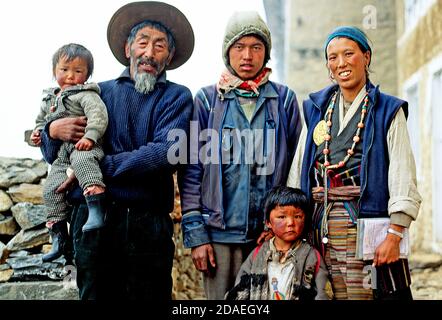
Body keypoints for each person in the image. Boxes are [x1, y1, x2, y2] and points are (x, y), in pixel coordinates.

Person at [39, 1, 194, 300]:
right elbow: (54, 155)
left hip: (148, 224)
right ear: (128, 49)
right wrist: (51, 132)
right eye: (143, 42)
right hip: (93, 222)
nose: (149, 53)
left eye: (160, 46)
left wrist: (94, 169)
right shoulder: (96, 92)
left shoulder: (177, 97)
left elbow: (165, 152)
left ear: (170, 56)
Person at [287, 26, 422, 300]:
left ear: (367, 57)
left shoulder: (387, 110)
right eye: (333, 57)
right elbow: (299, 167)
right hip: (321, 226)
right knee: (327, 291)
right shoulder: (317, 109)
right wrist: (291, 217)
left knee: (372, 290)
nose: (341, 63)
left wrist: (394, 234)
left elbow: (401, 171)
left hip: (370, 226)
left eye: (349, 54)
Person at [179, 11, 302, 299]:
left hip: (271, 236)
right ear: (227, 53)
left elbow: (296, 169)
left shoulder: (283, 100)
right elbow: (193, 170)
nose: (247, 55)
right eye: (239, 47)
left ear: (266, 53)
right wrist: (197, 236)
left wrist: (282, 225)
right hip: (219, 237)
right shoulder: (208, 100)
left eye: (256, 47)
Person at [31, 43, 108, 263]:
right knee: (51, 188)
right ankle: (58, 237)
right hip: (61, 155)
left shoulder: (86, 94)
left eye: (78, 71)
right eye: (64, 70)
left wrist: (90, 136)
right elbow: (41, 123)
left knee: (84, 164)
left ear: (87, 74)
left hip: (84, 145)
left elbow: (98, 116)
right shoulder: (49, 100)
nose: (70, 76)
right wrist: (39, 133)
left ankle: (96, 211)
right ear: (55, 70)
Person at [225, 186, 331, 300]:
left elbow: (324, 294)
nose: (291, 222)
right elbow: (239, 293)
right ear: (268, 222)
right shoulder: (257, 254)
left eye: (297, 216)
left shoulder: (311, 256)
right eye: (282, 217)